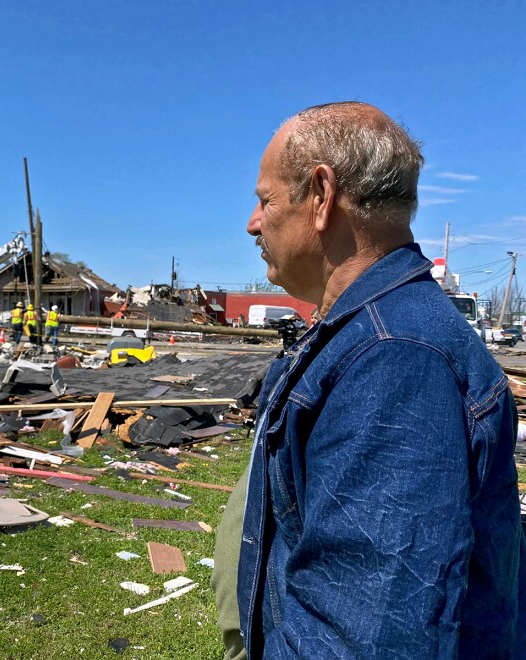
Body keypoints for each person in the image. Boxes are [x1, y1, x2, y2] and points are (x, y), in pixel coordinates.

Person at [213, 101, 525, 658]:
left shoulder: (394, 358)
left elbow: (367, 635)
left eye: (265, 199)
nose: (253, 222)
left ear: (321, 195)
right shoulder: (369, 335)